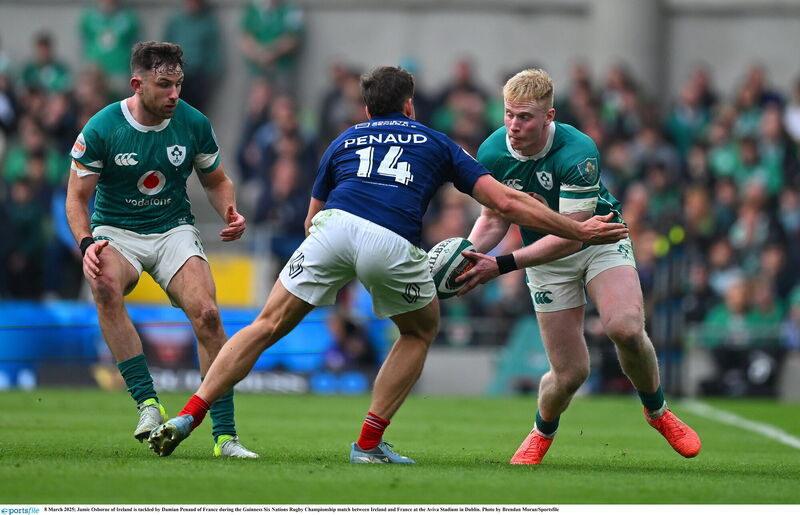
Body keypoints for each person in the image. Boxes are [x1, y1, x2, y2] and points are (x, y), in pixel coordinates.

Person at [147, 66, 628, 462]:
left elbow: (313, 217)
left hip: (331, 230)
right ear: (410, 106)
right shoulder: (436, 141)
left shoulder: (344, 141)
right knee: (419, 331)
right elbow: (505, 202)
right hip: (390, 241)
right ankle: (368, 444)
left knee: (266, 323)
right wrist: (578, 230)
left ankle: (189, 413)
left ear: (366, 108)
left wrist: (339, 267)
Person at [456, 68, 702, 465]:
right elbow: (494, 217)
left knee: (624, 327)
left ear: (549, 117)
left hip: (598, 240)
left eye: (525, 117)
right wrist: (465, 254)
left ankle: (657, 413)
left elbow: (573, 235)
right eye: (508, 114)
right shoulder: (492, 151)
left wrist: (499, 265)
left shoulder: (578, 150)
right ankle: (542, 430)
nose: (514, 126)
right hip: (544, 259)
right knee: (570, 374)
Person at [65, 41, 258, 458]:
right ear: (137, 83)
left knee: (208, 316)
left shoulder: (193, 123)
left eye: (179, 84)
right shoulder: (102, 127)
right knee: (104, 285)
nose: (174, 94)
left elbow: (215, 179)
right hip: (116, 230)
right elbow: (76, 199)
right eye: (164, 85)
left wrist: (230, 211)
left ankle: (225, 437)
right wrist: (86, 245)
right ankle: (148, 404)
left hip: (172, 230)